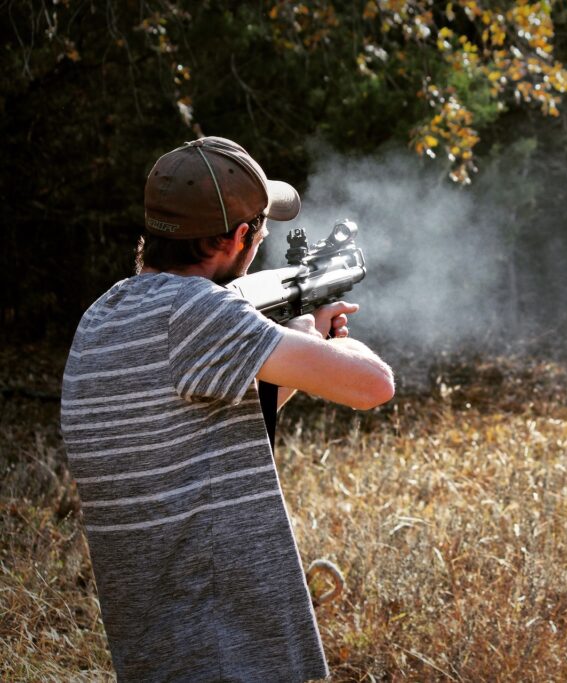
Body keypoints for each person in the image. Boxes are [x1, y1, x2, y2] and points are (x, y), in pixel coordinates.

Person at [60, 136, 394, 682]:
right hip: (225, 643)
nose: (262, 239)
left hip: (158, 643)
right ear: (239, 235)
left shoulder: (105, 313)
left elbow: (212, 430)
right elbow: (373, 386)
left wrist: (297, 348)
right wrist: (321, 341)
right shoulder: (199, 313)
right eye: (261, 228)